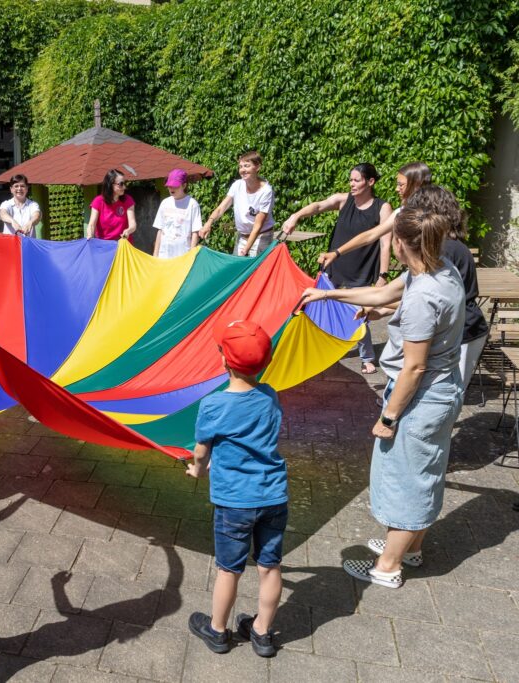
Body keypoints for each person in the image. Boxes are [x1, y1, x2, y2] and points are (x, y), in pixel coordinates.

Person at [300, 206, 464, 589]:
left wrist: (388, 418)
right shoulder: (442, 270)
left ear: (403, 244)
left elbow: (414, 368)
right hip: (443, 391)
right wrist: (328, 294)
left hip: (421, 398)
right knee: (424, 473)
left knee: (406, 480)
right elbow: (386, 293)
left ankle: (387, 567)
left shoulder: (423, 297)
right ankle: (409, 548)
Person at [186, 319, 287, 658]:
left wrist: (198, 470)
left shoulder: (214, 405)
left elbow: (201, 451)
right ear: (266, 361)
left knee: (229, 569)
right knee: (270, 566)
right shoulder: (270, 395)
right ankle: (262, 632)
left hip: (234, 502)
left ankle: (217, 631)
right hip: (273, 496)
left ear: (223, 360)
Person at [280, 163, 393, 374]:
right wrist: (295, 216)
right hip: (335, 266)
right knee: (322, 311)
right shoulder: (343, 200)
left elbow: (385, 243)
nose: (352, 184)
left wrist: (383, 275)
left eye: (357, 180)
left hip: (361, 270)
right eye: (350, 180)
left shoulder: (382, 207)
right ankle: (320, 351)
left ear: (370, 182)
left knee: (358, 315)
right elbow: (318, 206)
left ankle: (367, 357)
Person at [404, 185, 488, 389]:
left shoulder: (445, 249)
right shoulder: (449, 245)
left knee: (448, 392)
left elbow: (429, 296)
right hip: (462, 328)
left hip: (464, 332)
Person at [315, 161, 432, 271]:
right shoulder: (401, 212)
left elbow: (380, 241)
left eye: (401, 185)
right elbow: (371, 235)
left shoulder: (432, 212)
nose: (396, 189)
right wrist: (336, 253)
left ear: (416, 184)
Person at [201, 151, 274, 257]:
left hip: (261, 237)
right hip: (242, 236)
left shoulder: (266, 191)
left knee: (257, 266)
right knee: (238, 265)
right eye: (240, 167)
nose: (242, 170)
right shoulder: (237, 185)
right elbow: (221, 208)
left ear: (258, 167)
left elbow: (257, 226)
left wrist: (246, 250)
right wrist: (209, 223)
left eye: (247, 166)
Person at [152, 168, 202, 258]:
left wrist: (191, 255)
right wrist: (155, 254)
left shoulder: (192, 204)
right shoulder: (165, 203)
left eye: (175, 186)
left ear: (184, 185)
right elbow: (160, 230)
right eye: (169, 186)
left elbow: (195, 232)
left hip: (182, 256)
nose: (171, 188)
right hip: (164, 256)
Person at [86, 169, 136, 241]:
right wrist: (90, 235)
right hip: (104, 244)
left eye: (124, 183)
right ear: (110, 185)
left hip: (122, 243)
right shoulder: (98, 201)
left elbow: (133, 225)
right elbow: (91, 225)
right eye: (121, 184)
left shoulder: (128, 200)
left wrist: (128, 231)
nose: (124, 187)